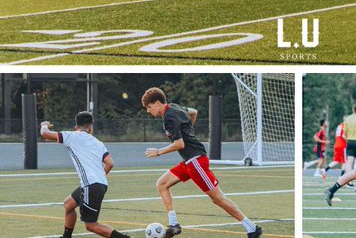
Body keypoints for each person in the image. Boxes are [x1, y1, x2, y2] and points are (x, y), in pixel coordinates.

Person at [141, 87, 261, 237]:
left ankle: (252, 227)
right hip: (189, 162)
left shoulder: (168, 118)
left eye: (149, 107)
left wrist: (158, 152)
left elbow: (179, 144)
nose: (148, 111)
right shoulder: (175, 107)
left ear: (157, 103)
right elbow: (193, 112)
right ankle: (174, 224)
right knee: (162, 184)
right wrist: (188, 130)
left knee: (218, 199)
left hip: (196, 161)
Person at [41, 112, 134, 238]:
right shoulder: (98, 142)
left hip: (90, 185)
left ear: (76, 125)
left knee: (91, 225)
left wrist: (44, 125)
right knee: (68, 204)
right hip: (98, 183)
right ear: (90, 127)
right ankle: (66, 236)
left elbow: (44, 134)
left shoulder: (72, 136)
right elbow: (110, 163)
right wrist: (100, 177)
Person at [343, 104, 356, 173]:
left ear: (353, 110)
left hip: (350, 141)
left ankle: (348, 180)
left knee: (349, 162)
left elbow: (344, 132)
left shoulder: (348, 118)